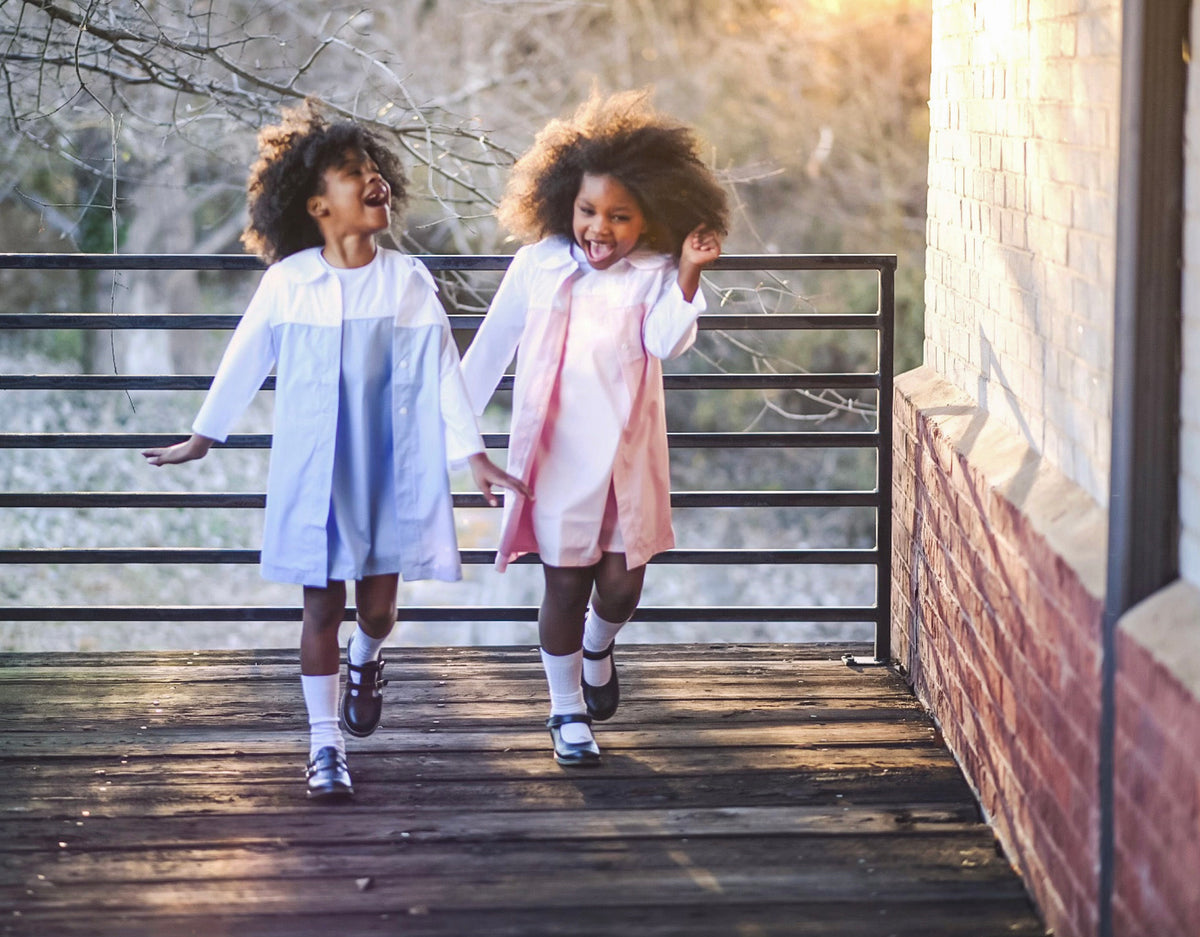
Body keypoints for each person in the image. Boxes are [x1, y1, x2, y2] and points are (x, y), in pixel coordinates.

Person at [143, 102, 527, 800]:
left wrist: (473, 452)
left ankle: (367, 657)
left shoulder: (406, 279)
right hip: (316, 471)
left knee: (378, 611)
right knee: (319, 608)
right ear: (317, 204)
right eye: (354, 172)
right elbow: (244, 358)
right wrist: (204, 434)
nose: (374, 179)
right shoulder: (289, 283)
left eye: (377, 170)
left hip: (386, 470)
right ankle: (325, 745)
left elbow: (442, 367)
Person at [461, 90, 729, 766]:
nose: (599, 228)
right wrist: (463, 445)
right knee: (564, 586)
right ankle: (565, 709)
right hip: (554, 459)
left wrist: (689, 273)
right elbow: (487, 354)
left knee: (621, 587)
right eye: (587, 211)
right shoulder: (538, 265)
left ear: (651, 216)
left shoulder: (654, 273)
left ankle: (598, 648)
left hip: (625, 461)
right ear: (562, 204)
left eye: (619, 215)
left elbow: (667, 342)